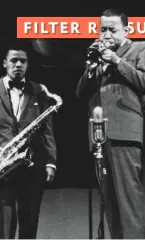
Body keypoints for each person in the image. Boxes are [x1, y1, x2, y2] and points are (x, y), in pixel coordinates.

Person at [76, 9, 145, 238]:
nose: (106, 34)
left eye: (113, 29)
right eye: (103, 29)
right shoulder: (97, 56)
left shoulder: (142, 48)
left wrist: (117, 60)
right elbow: (80, 93)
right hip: (99, 135)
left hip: (125, 133)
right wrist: (91, 70)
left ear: (126, 30)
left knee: (128, 202)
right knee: (109, 203)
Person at [0, 41, 58, 239]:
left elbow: (47, 128)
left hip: (31, 164)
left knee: (29, 224)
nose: (18, 65)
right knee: (4, 227)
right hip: (3, 167)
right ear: (5, 63)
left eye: (23, 61)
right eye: (14, 60)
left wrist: (50, 161)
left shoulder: (38, 90)